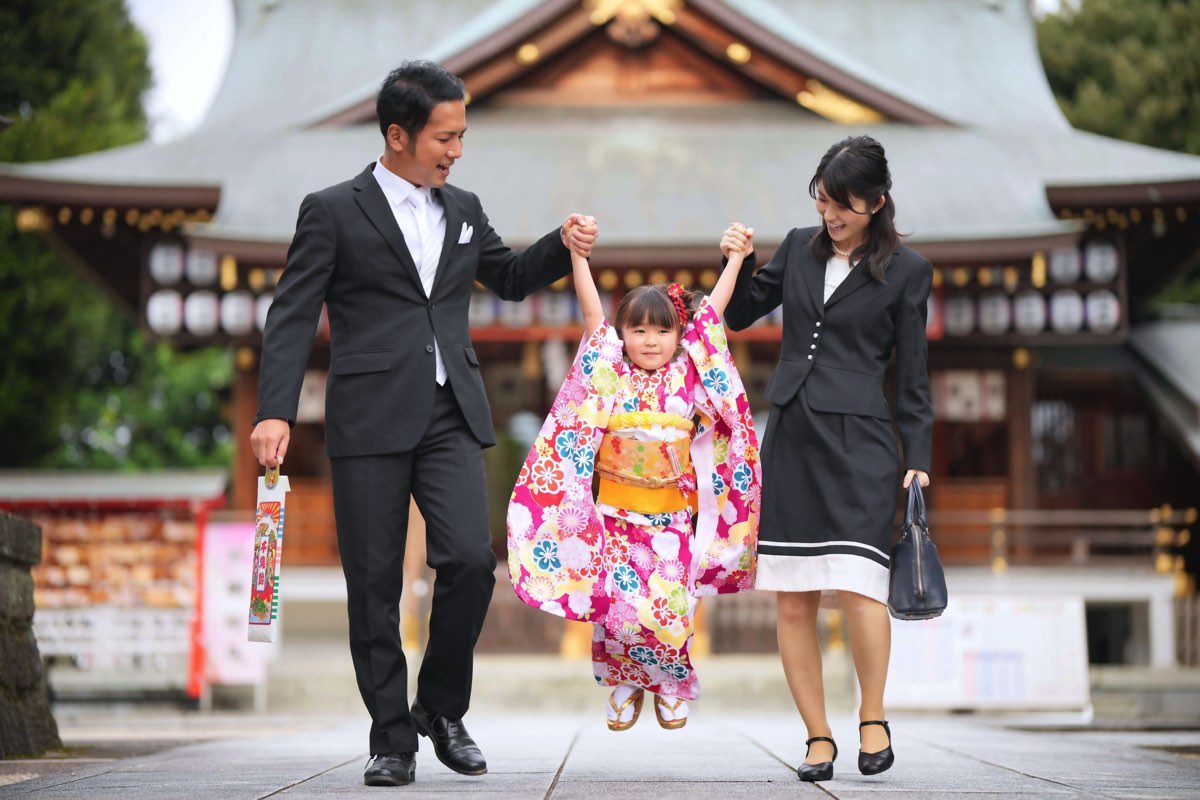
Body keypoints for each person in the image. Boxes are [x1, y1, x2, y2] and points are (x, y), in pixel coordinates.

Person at [249, 60, 598, 788]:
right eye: (446, 137)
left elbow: (504, 276)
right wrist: (275, 409)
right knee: (374, 585)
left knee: (471, 560)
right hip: (368, 417)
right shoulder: (332, 209)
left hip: (450, 412)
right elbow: (290, 313)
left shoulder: (462, 207)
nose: (457, 150)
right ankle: (390, 739)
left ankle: (439, 708)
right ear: (399, 134)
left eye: (462, 135)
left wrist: (562, 245)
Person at [720, 135, 932, 782]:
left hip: (864, 441)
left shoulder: (908, 270)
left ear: (877, 202)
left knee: (861, 585)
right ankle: (817, 737)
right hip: (791, 433)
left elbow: (914, 376)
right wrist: (735, 260)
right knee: (791, 596)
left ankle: (872, 717)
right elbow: (734, 317)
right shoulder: (796, 248)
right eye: (822, 199)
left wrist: (916, 456)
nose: (830, 214)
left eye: (843, 204)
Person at [506, 225, 761, 732]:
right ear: (623, 334)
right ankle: (623, 682)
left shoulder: (689, 370)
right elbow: (590, 312)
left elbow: (711, 314)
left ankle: (671, 684)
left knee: (669, 606)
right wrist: (579, 257)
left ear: (677, 335)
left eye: (662, 331)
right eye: (639, 330)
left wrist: (735, 258)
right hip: (615, 513)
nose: (650, 340)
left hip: (670, 515)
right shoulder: (609, 369)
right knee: (619, 606)